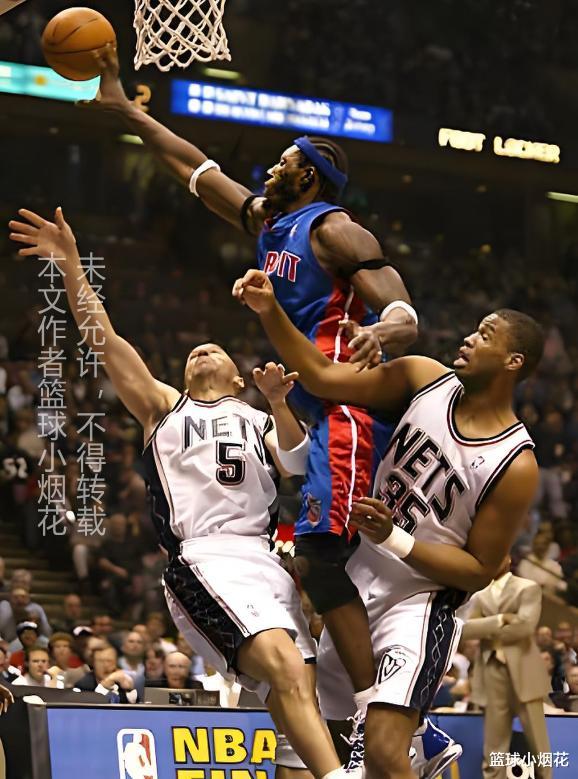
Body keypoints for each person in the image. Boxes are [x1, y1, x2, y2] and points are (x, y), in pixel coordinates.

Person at [86, 47, 418, 741]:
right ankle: (374, 713)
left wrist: (384, 329)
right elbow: (197, 171)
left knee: (321, 559)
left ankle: (387, 716)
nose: (271, 165)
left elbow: (400, 306)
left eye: (284, 159)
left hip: (348, 407)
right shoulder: (271, 223)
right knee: (328, 564)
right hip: (316, 412)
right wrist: (125, 110)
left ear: (309, 173)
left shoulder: (332, 227)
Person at [9, 208, 347, 779]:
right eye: (194, 352)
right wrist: (70, 265)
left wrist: (279, 403)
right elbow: (104, 339)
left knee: (297, 708)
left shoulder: (258, 417)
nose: (200, 352)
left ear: (238, 377)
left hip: (266, 562)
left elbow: (296, 465)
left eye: (215, 349)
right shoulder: (163, 407)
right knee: (288, 671)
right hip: (204, 557)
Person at [233, 269, 544, 779]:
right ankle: (424, 739)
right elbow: (323, 377)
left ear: (514, 361)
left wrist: (394, 538)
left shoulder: (516, 461)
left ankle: (419, 737)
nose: (469, 338)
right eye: (475, 329)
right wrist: (271, 310)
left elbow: (479, 570)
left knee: (381, 749)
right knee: (328, 748)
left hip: (420, 602)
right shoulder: (424, 377)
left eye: (486, 335)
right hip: (359, 580)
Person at [462, 570, 552, 779]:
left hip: (525, 672)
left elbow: (525, 627)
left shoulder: (527, 587)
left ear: (509, 559)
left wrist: (485, 630)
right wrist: (501, 619)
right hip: (491, 669)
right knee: (494, 746)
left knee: (539, 745)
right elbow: (465, 630)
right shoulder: (480, 594)